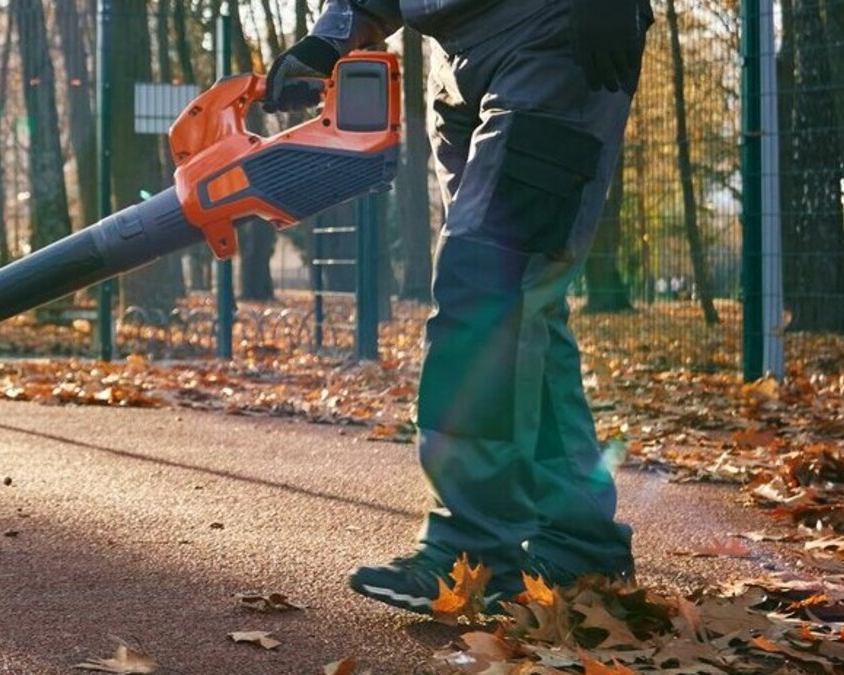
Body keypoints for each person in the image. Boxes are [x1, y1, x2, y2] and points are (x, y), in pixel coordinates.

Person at [264, 0, 654, 614]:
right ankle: (580, 541)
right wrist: (331, 35)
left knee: (486, 287)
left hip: (553, 33)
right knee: (526, 307)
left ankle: (472, 550)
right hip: (455, 60)